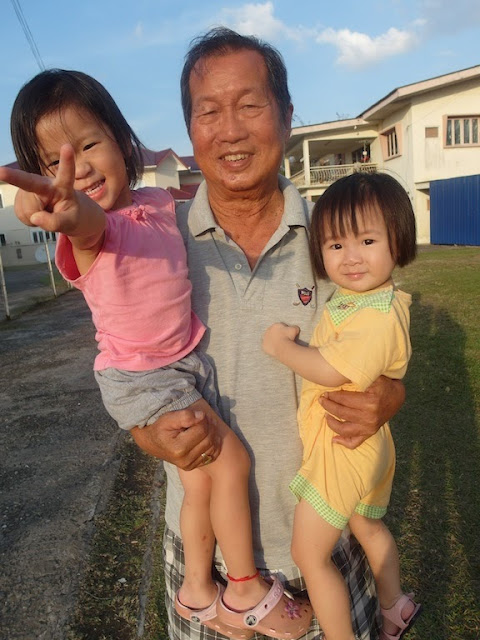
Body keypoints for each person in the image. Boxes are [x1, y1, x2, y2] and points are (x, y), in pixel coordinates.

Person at [0, 69, 312, 640]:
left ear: (122, 139)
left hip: (177, 367)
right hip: (143, 377)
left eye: (88, 144)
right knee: (230, 464)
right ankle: (244, 589)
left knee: (199, 481)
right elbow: (81, 220)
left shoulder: (159, 203)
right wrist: (45, 206)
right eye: (52, 162)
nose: (78, 167)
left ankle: (196, 590)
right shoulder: (94, 232)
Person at [129, 28, 406, 640]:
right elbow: (124, 357)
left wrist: (392, 393)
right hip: (207, 561)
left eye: (250, 105)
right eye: (208, 111)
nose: (230, 130)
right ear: (190, 128)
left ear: (285, 114)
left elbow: (383, 339)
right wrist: (144, 429)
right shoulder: (157, 243)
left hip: (325, 538)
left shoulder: (337, 238)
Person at [263, 172, 422, 640]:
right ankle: (394, 604)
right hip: (364, 446)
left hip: (342, 450)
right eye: (335, 245)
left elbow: (331, 369)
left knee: (309, 555)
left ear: (398, 240)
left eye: (367, 241)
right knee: (367, 525)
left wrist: (280, 347)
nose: (351, 257)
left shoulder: (375, 316)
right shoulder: (366, 298)